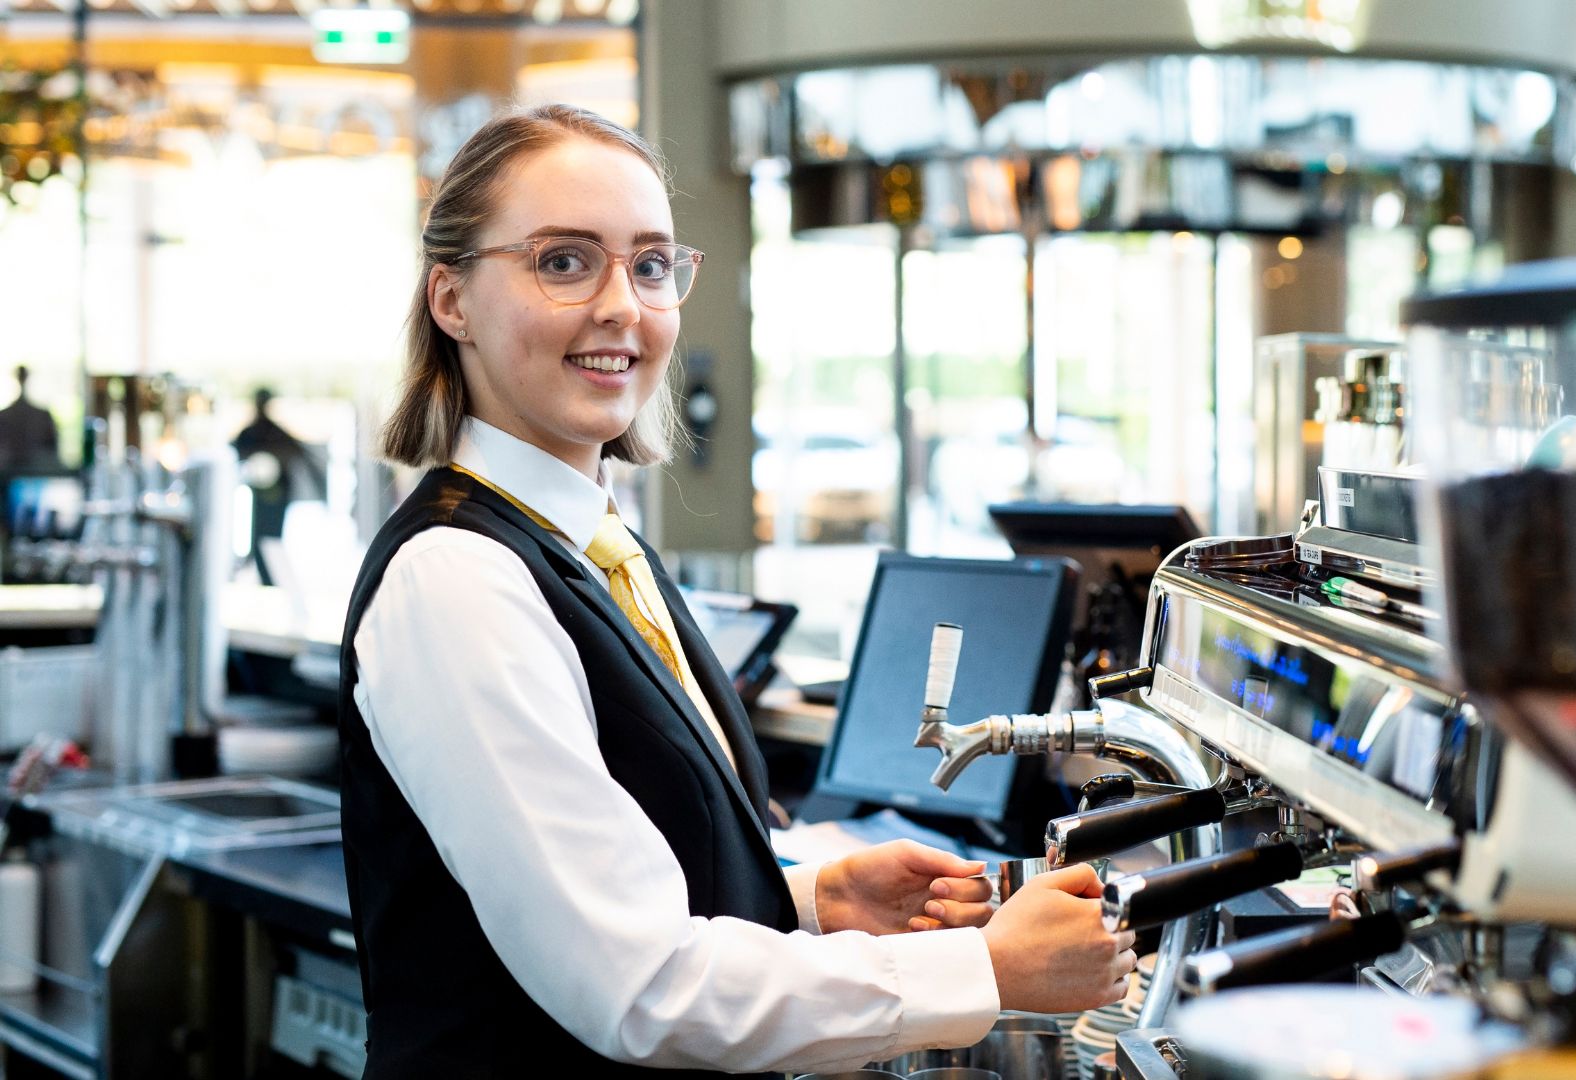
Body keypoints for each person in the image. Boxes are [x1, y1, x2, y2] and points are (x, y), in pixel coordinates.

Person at [340, 104, 1134, 1079]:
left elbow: (636, 878)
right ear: (451, 299)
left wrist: (811, 902)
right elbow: (637, 986)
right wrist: (984, 967)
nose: (622, 306)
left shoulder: (594, 543)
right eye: (563, 261)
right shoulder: (457, 578)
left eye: (649, 264)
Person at [231, 387, 326, 583]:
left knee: (270, 537)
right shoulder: (253, 434)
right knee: (260, 536)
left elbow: (301, 456)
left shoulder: (271, 433)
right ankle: (264, 574)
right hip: (260, 497)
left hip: (276, 496)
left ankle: (268, 577)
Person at [0, 365, 59, 471]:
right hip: (10, 473)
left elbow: (52, 449)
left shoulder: (42, 415)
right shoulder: (41, 415)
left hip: (36, 471)